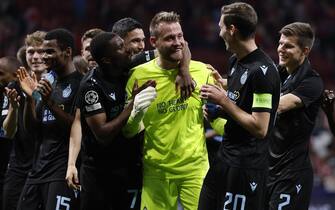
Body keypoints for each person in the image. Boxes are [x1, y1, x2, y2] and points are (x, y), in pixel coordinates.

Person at [123, 11, 214, 210]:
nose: (177, 42)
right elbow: (129, 131)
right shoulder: (138, 76)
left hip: (195, 169)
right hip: (156, 172)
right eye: (170, 38)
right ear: (154, 42)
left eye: (180, 36)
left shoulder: (202, 71)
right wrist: (136, 112)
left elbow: (217, 119)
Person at [198, 3, 281, 210]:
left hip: (247, 168)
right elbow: (240, 97)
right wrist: (223, 87)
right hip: (224, 158)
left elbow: (260, 128)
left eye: (220, 27)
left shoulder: (264, 72)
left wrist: (223, 100)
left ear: (232, 29)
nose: (219, 32)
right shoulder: (236, 61)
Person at [75, 31, 156, 210]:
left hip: (129, 166)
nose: (128, 49)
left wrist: (184, 71)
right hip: (99, 173)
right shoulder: (91, 87)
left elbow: (178, 48)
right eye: (120, 47)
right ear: (107, 60)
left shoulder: (128, 62)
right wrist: (132, 104)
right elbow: (103, 134)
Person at [17, 28, 82, 210]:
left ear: (68, 52)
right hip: (37, 171)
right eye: (44, 51)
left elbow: (79, 127)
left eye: (50, 51)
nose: (44, 56)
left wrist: (49, 102)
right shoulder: (47, 83)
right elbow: (32, 130)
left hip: (61, 172)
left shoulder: (81, 84)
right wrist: (30, 99)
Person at [267, 22, 324, 210]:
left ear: (305, 51)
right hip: (268, 169)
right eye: (280, 43)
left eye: (288, 45)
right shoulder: (279, 73)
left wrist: (226, 103)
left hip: (292, 174)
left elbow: (277, 106)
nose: (281, 49)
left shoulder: (312, 82)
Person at [2, 31, 47, 210]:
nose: (35, 56)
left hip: (46, 165)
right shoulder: (14, 87)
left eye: (40, 51)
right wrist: (13, 107)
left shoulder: (57, 85)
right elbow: (8, 132)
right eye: (30, 52)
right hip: (19, 166)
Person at [0, 56, 20, 210]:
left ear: (15, 75)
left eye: (1, 74)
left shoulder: (20, 95)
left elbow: (8, 132)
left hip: (12, 167)